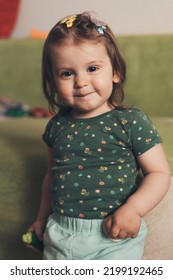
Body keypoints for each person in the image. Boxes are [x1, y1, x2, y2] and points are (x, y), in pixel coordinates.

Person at [27, 11, 170, 260]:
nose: (81, 82)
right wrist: (40, 219)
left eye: (92, 68)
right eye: (67, 73)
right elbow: (51, 176)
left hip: (113, 237)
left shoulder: (130, 121)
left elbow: (159, 173)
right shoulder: (56, 126)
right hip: (60, 233)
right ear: (53, 80)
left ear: (115, 72)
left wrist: (133, 210)